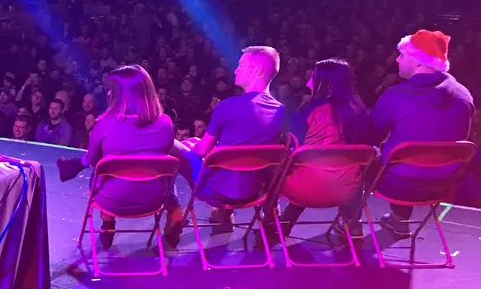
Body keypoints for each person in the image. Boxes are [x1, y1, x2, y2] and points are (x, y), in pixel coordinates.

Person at [55, 65, 184, 249]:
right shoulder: (165, 122)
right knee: (163, 168)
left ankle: (108, 225)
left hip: (113, 200)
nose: (108, 93)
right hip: (155, 198)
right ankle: (175, 210)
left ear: (121, 94)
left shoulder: (104, 124)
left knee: (101, 169)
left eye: (112, 90)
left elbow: (93, 160)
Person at [371, 30, 474, 237]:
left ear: (417, 61)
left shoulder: (395, 96)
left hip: (398, 185)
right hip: (444, 185)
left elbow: (371, 134)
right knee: (418, 147)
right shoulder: (464, 95)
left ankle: (348, 225)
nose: (397, 60)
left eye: (402, 55)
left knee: (361, 155)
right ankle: (399, 219)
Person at [176, 46, 286, 232]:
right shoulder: (279, 110)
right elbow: (247, 147)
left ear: (257, 70)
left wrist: (191, 148)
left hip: (219, 191)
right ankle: (223, 217)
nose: (236, 69)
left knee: (175, 146)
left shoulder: (228, 106)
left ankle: (174, 215)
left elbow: (201, 151)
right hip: (255, 191)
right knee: (200, 145)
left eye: (241, 64)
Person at [278, 59, 375, 238]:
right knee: (350, 168)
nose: (308, 82)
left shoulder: (308, 110)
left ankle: (277, 227)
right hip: (347, 189)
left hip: (304, 188)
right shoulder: (359, 111)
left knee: (298, 165)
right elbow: (368, 146)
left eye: (312, 78)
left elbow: (293, 147)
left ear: (326, 84)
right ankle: (353, 225)